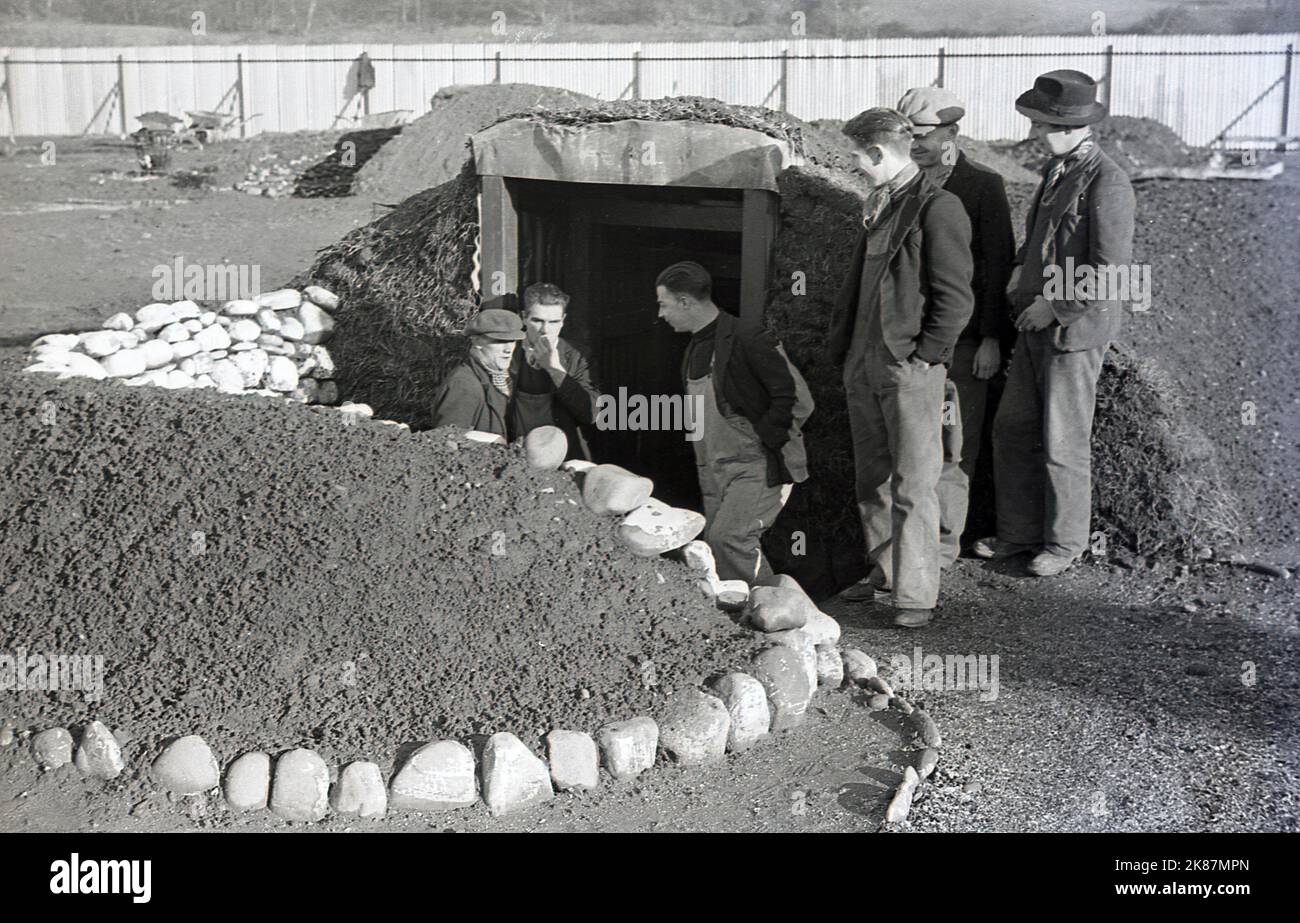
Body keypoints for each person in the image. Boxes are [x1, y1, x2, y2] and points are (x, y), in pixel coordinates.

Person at [974, 70, 1136, 577]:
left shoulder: (1108, 182)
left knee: (1062, 440)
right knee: (1013, 428)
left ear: (1075, 127)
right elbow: (1044, 237)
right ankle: (1018, 535)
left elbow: (1109, 271)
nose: (1037, 135)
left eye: (1044, 125)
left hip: (1073, 331)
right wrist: (1022, 267)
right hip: (1034, 325)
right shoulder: (1057, 171)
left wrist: (1055, 306)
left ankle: (1064, 544)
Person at [829, 108, 974, 628]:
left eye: (855, 156)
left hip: (908, 369)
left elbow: (956, 298)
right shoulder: (879, 203)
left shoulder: (939, 207)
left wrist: (925, 357)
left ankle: (915, 596)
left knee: (914, 481)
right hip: (863, 362)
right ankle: (887, 571)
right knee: (874, 478)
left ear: (877, 153)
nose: (852, 165)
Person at [895, 86, 1017, 567]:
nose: (917, 145)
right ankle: (904, 549)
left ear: (951, 132)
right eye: (910, 137)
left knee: (952, 449)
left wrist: (990, 337)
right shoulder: (903, 184)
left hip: (964, 345)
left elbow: (997, 263)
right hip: (912, 341)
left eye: (925, 136)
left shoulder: (983, 186)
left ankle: (943, 549)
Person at [656, 261, 813, 584]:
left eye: (664, 304)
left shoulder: (748, 338)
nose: (661, 314)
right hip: (714, 468)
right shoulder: (694, 347)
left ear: (685, 302)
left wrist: (764, 439)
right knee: (719, 545)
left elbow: (798, 400)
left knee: (731, 539)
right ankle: (755, 618)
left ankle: (774, 611)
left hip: (755, 466)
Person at [510, 282, 600, 460]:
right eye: (537, 321)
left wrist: (555, 369)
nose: (545, 330)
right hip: (514, 451)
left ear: (563, 321)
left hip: (562, 454)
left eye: (553, 322)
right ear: (523, 318)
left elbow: (592, 413)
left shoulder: (577, 356)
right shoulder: (508, 352)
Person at [430, 308, 525, 439]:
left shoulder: (502, 378)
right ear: (476, 341)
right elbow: (448, 440)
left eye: (512, 341)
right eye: (500, 341)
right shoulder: (463, 384)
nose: (508, 349)